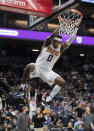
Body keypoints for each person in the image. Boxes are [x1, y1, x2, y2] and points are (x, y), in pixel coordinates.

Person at [21, 16, 82, 106]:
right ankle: (22, 87)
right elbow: (53, 34)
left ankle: (48, 99)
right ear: (53, 41)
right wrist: (62, 26)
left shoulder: (60, 48)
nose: (58, 44)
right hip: (38, 66)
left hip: (47, 71)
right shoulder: (47, 42)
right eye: (56, 42)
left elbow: (70, 41)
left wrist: (76, 28)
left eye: (59, 43)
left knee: (62, 82)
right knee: (30, 66)